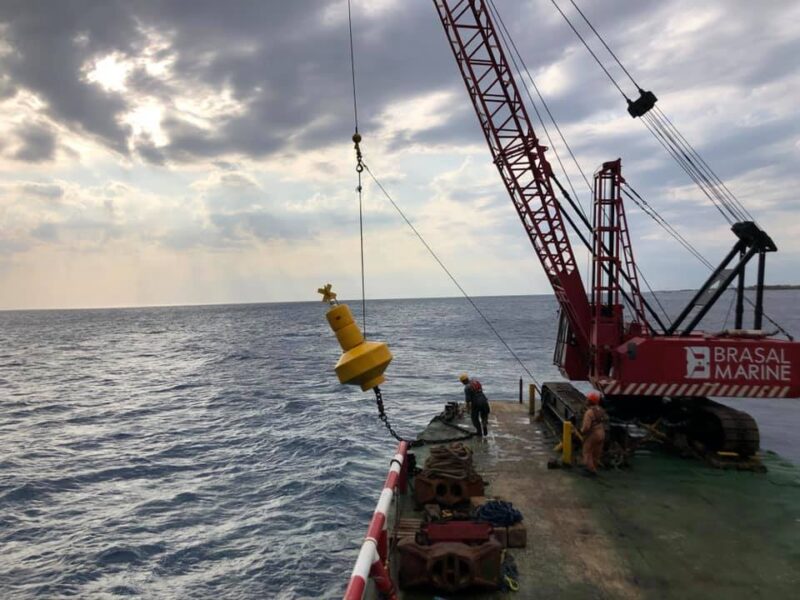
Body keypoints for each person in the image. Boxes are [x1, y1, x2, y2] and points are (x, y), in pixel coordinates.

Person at [580, 390, 607, 476]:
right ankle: (594, 468)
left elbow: (586, 427)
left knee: (587, 452)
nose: (586, 400)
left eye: (587, 399)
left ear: (590, 401)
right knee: (596, 453)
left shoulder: (589, 412)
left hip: (593, 434)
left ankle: (590, 471)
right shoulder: (601, 410)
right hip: (602, 433)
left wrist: (581, 431)